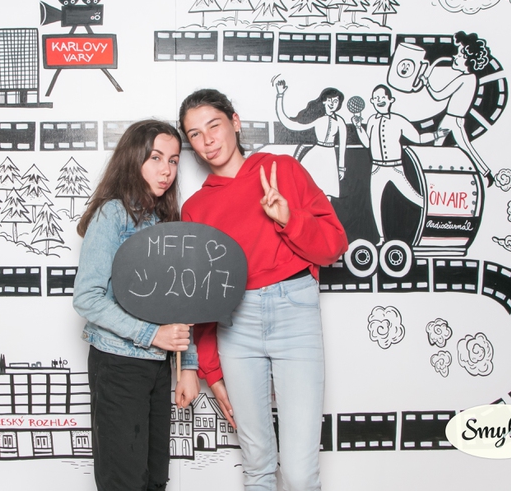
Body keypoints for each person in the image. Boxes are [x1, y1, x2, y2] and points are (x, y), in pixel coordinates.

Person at [179, 89, 348, 491]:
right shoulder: (196, 209)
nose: (208, 141)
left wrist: (288, 218)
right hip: (235, 325)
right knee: (257, 468)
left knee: (300, 473)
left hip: (294, 311)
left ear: (235, 122)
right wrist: (211, 372)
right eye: (195, 134)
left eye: (214, 126)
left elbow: (334, 246)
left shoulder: (280, 170)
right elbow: (201, 302)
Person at [72, 119, 200, 491]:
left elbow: (179, 303)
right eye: (156, 158)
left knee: (154, 479)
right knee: (124, 481)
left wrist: (188, 366)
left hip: (158, 367)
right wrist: (151, 334)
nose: (166, 170)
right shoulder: (112, 214)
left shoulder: (166, 222)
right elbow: (87, 297)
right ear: (133, 159)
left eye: (173, 160)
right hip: (118, 363)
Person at [353, 84, 445, 246]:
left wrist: (436, 135)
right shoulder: (372, 120)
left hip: (395, 168)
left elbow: (418, 138)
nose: (379, 100)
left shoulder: (398, 120)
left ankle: (437, 219)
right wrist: (358, 127)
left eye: (383, 97)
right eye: (376, 98)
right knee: (375, 203)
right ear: (372, 101)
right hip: (377, 169)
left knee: (414, 197)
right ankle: (381, 239)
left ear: (391, 100)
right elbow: (367, 143)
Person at [419, 31, 495, 187]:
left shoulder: (465, 79)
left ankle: (434, 178)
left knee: (448, 147)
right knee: (447, 147)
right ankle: (485, 173)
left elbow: (439, 95)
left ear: (468, 60)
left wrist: (426, 83)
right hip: (453, 119)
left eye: (459, 54)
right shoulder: (472, 78)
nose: (455, 56)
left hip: (453, 119)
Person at [274, 81, 348, 198]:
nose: (332, 103)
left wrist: (341, 168)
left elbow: (343, 145)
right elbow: (289, 124)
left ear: (339, 103)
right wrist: (280, 95)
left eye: (335, 101)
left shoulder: (340, 122)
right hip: (315, 156)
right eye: (329, 100)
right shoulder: (318, 119)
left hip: (330, 158)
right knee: (306, 191)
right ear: (324, 101)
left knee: (327, 194)